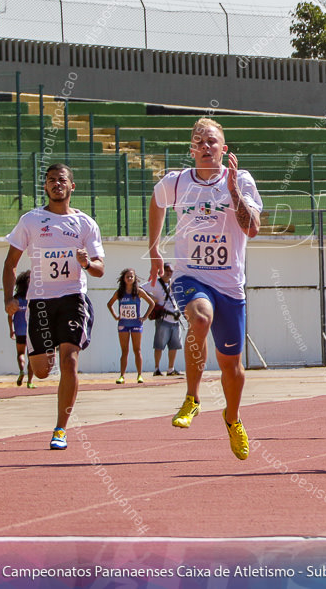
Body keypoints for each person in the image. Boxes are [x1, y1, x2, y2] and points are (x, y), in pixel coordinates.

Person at [148, 117, 261, 460]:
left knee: (232, 367)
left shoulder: (240, 180)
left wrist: (233, 193)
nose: (206, 146)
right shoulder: (177, 181)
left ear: (223, 149)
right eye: (200, 141)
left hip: (229, 284)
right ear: (192, 150)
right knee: (199, 319)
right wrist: (154, 247)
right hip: (191, 275)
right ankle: (192, 398)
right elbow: (156, 202)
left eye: (212, 141)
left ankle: (232, 418)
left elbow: (252, 229)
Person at [2, 163, 105, 450]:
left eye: (62, 180)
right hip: (41, 303)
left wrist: (86, 263)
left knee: (69, 358)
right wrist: (9, 299)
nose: (56, 184)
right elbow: (10, 264)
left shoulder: (86, 223)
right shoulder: (31, 221)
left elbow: (100, 269)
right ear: (45, 187)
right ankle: (49, 370)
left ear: (72, 186)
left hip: (73, 298)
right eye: (51, 181)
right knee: (43, 370)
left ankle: (60, 428)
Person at [106, 268, 156, 384]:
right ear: (123, 279)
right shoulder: (120, 292)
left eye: (131, 277)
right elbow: (109, 304)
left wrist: (144, 317)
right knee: (124, 350)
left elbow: (152, 303)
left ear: (134, 279)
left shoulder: (139, 291)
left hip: (136, 324)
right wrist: (115, 315)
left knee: (137, 350)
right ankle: (122, 376)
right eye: (127, 276)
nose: (129, 278)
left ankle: (139, 375)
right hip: (123, 324)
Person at [146, 262, 183, 376]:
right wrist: (151, 299)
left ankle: (170, 369)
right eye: (166, 270)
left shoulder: (175, 284)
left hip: (175, 319)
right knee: (159, 345)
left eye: (170, 271)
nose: (168, 273)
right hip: (163, 319)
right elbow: (139, 289)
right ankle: (157, 368)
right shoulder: (156, 283)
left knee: (174, 346)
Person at [8, 270, 33, 388]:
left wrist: (11, 329)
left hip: (19, 330)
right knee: (31, 355)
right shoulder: (31, 298)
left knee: (20, 353)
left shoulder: (16, 299)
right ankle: (30, 381)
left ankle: (22, 370)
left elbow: (10, 315)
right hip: (30, 330)